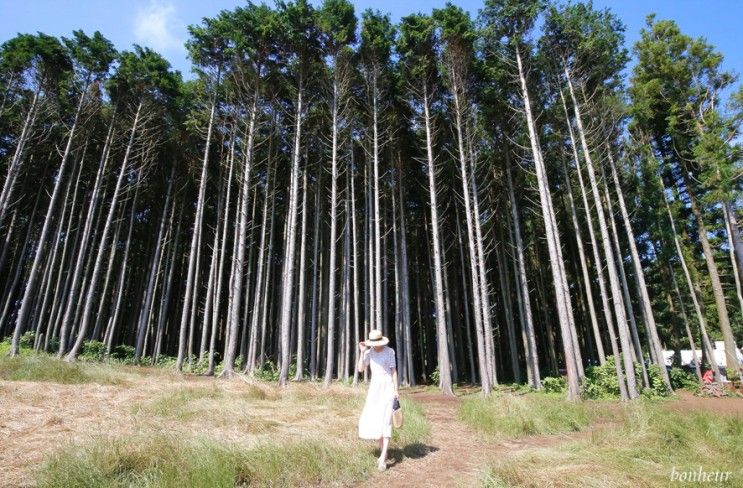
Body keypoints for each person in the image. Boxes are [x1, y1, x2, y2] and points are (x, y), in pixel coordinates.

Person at [357, 329, 399, 472]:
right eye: (372, 343)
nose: (375, 345)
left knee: (386, 420)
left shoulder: (390, 352)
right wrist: (362, 352)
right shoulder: (369, 353)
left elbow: (393, 371)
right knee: (377, 420)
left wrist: (396, 390)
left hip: (387, 387)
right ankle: (384, 452)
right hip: (374, 389)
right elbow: (361, 369)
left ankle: (382, 458)